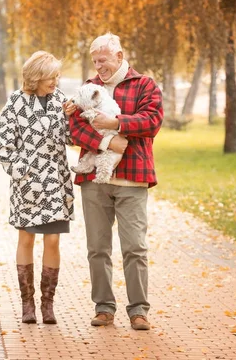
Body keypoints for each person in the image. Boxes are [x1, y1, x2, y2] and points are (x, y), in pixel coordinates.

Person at [66, 32, 164, 330]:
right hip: (94, 179)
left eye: (104, 60)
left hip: (132, 179)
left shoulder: (144, 84)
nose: (99, 66)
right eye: (95, 61)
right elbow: (73, 129)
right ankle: (104, 308)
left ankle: (139, 311)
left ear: (119, 56)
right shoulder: (89, 87)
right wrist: (108, 142)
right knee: (98, 247)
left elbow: (152, 121)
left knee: (135, 247)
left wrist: (117, 124)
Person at [0, 50, 75, 325]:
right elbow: (4, 147)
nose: (55, 80)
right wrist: (23, 172)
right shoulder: (15, 103)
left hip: (55, 182)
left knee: (53, 239)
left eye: (56, 76)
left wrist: (72, 118)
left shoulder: (62, 102)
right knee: (26, 239)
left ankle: (47, 305)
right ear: (36, 76)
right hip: (27, 185)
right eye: (50, 76)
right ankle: (27, 304)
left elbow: (71, 139)